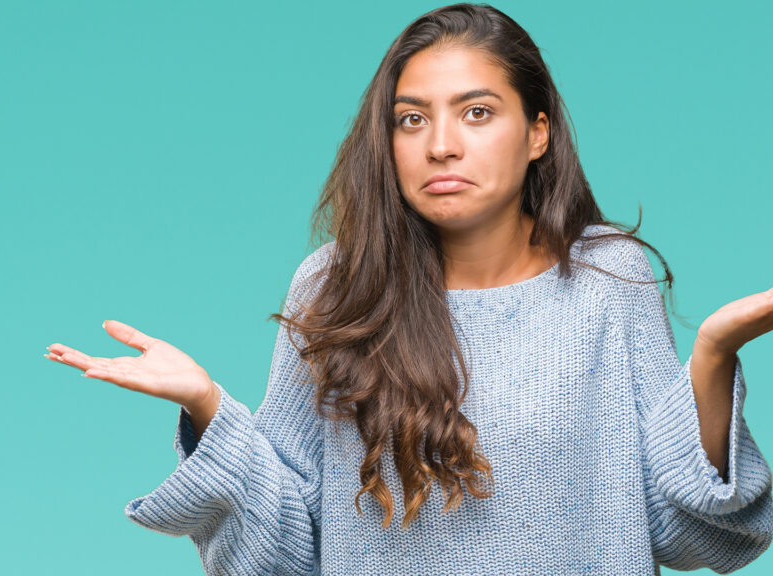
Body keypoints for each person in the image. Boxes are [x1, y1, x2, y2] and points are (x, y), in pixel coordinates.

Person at [45, 3, 773, 574]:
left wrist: (710, 356)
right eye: (411, 119)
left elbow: (688, 532)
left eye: (477, 112)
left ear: (538, 132)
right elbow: (285, 553)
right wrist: (207, 406)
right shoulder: (336, 286)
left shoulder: (607, 280)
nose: (441, 145)